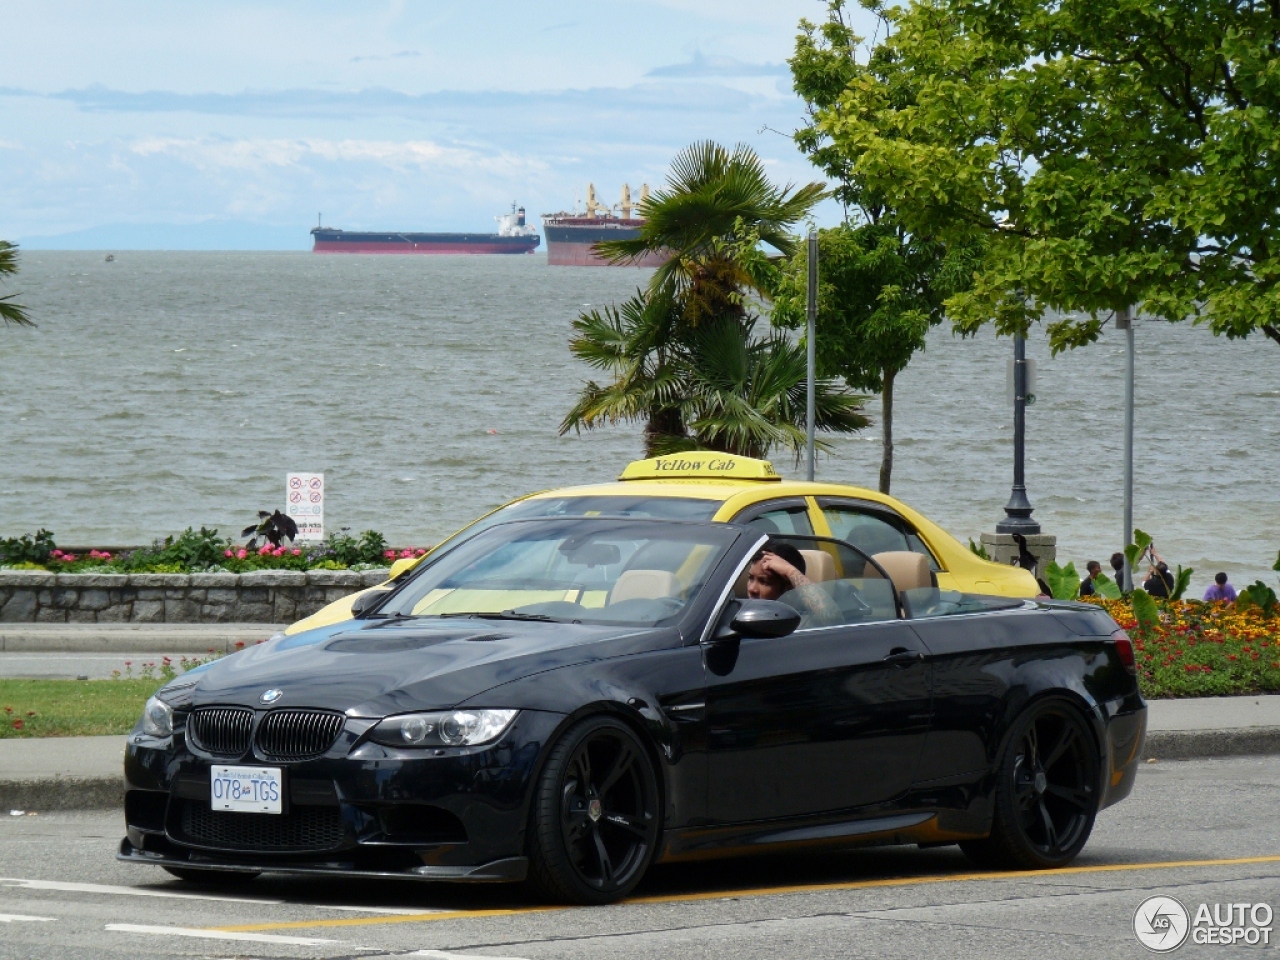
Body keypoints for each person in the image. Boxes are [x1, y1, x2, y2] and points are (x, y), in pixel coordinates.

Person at [745, 542, 841, 627]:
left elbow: (832, 619)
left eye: (764, 581)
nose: (752, 589)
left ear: (789, 590)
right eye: (750, 578)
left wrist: (790, 571)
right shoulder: (739, 612)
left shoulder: (799, 625)